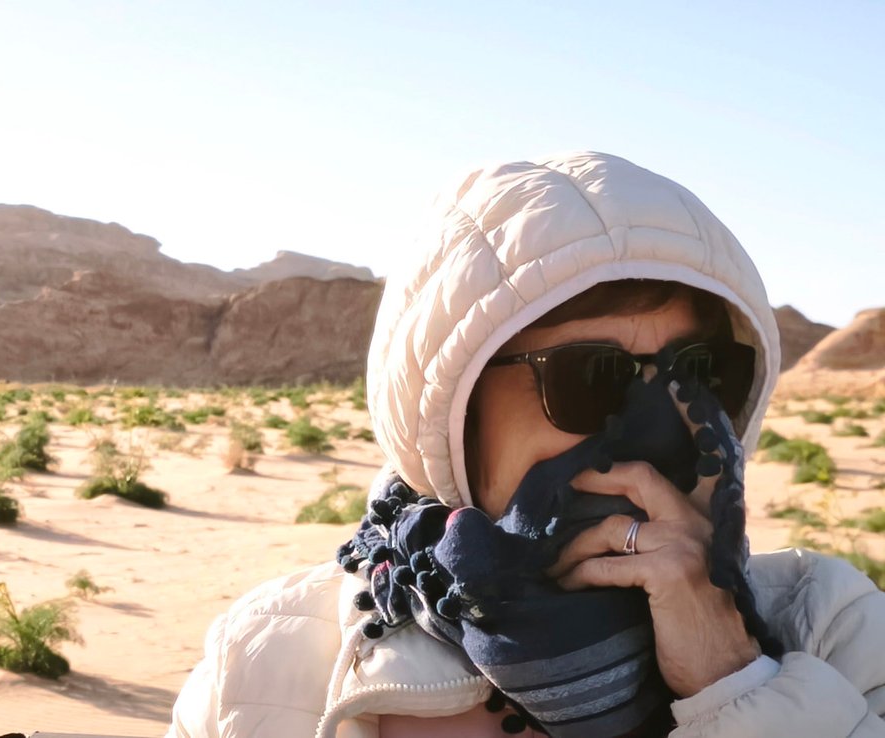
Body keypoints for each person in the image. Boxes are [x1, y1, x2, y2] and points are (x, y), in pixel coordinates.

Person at [166, 152, 885, 738]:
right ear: (455, 409)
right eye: (592, 377)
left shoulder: (832, 628)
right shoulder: (267, 664)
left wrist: (736, 682)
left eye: (698, 375)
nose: (657, 427)